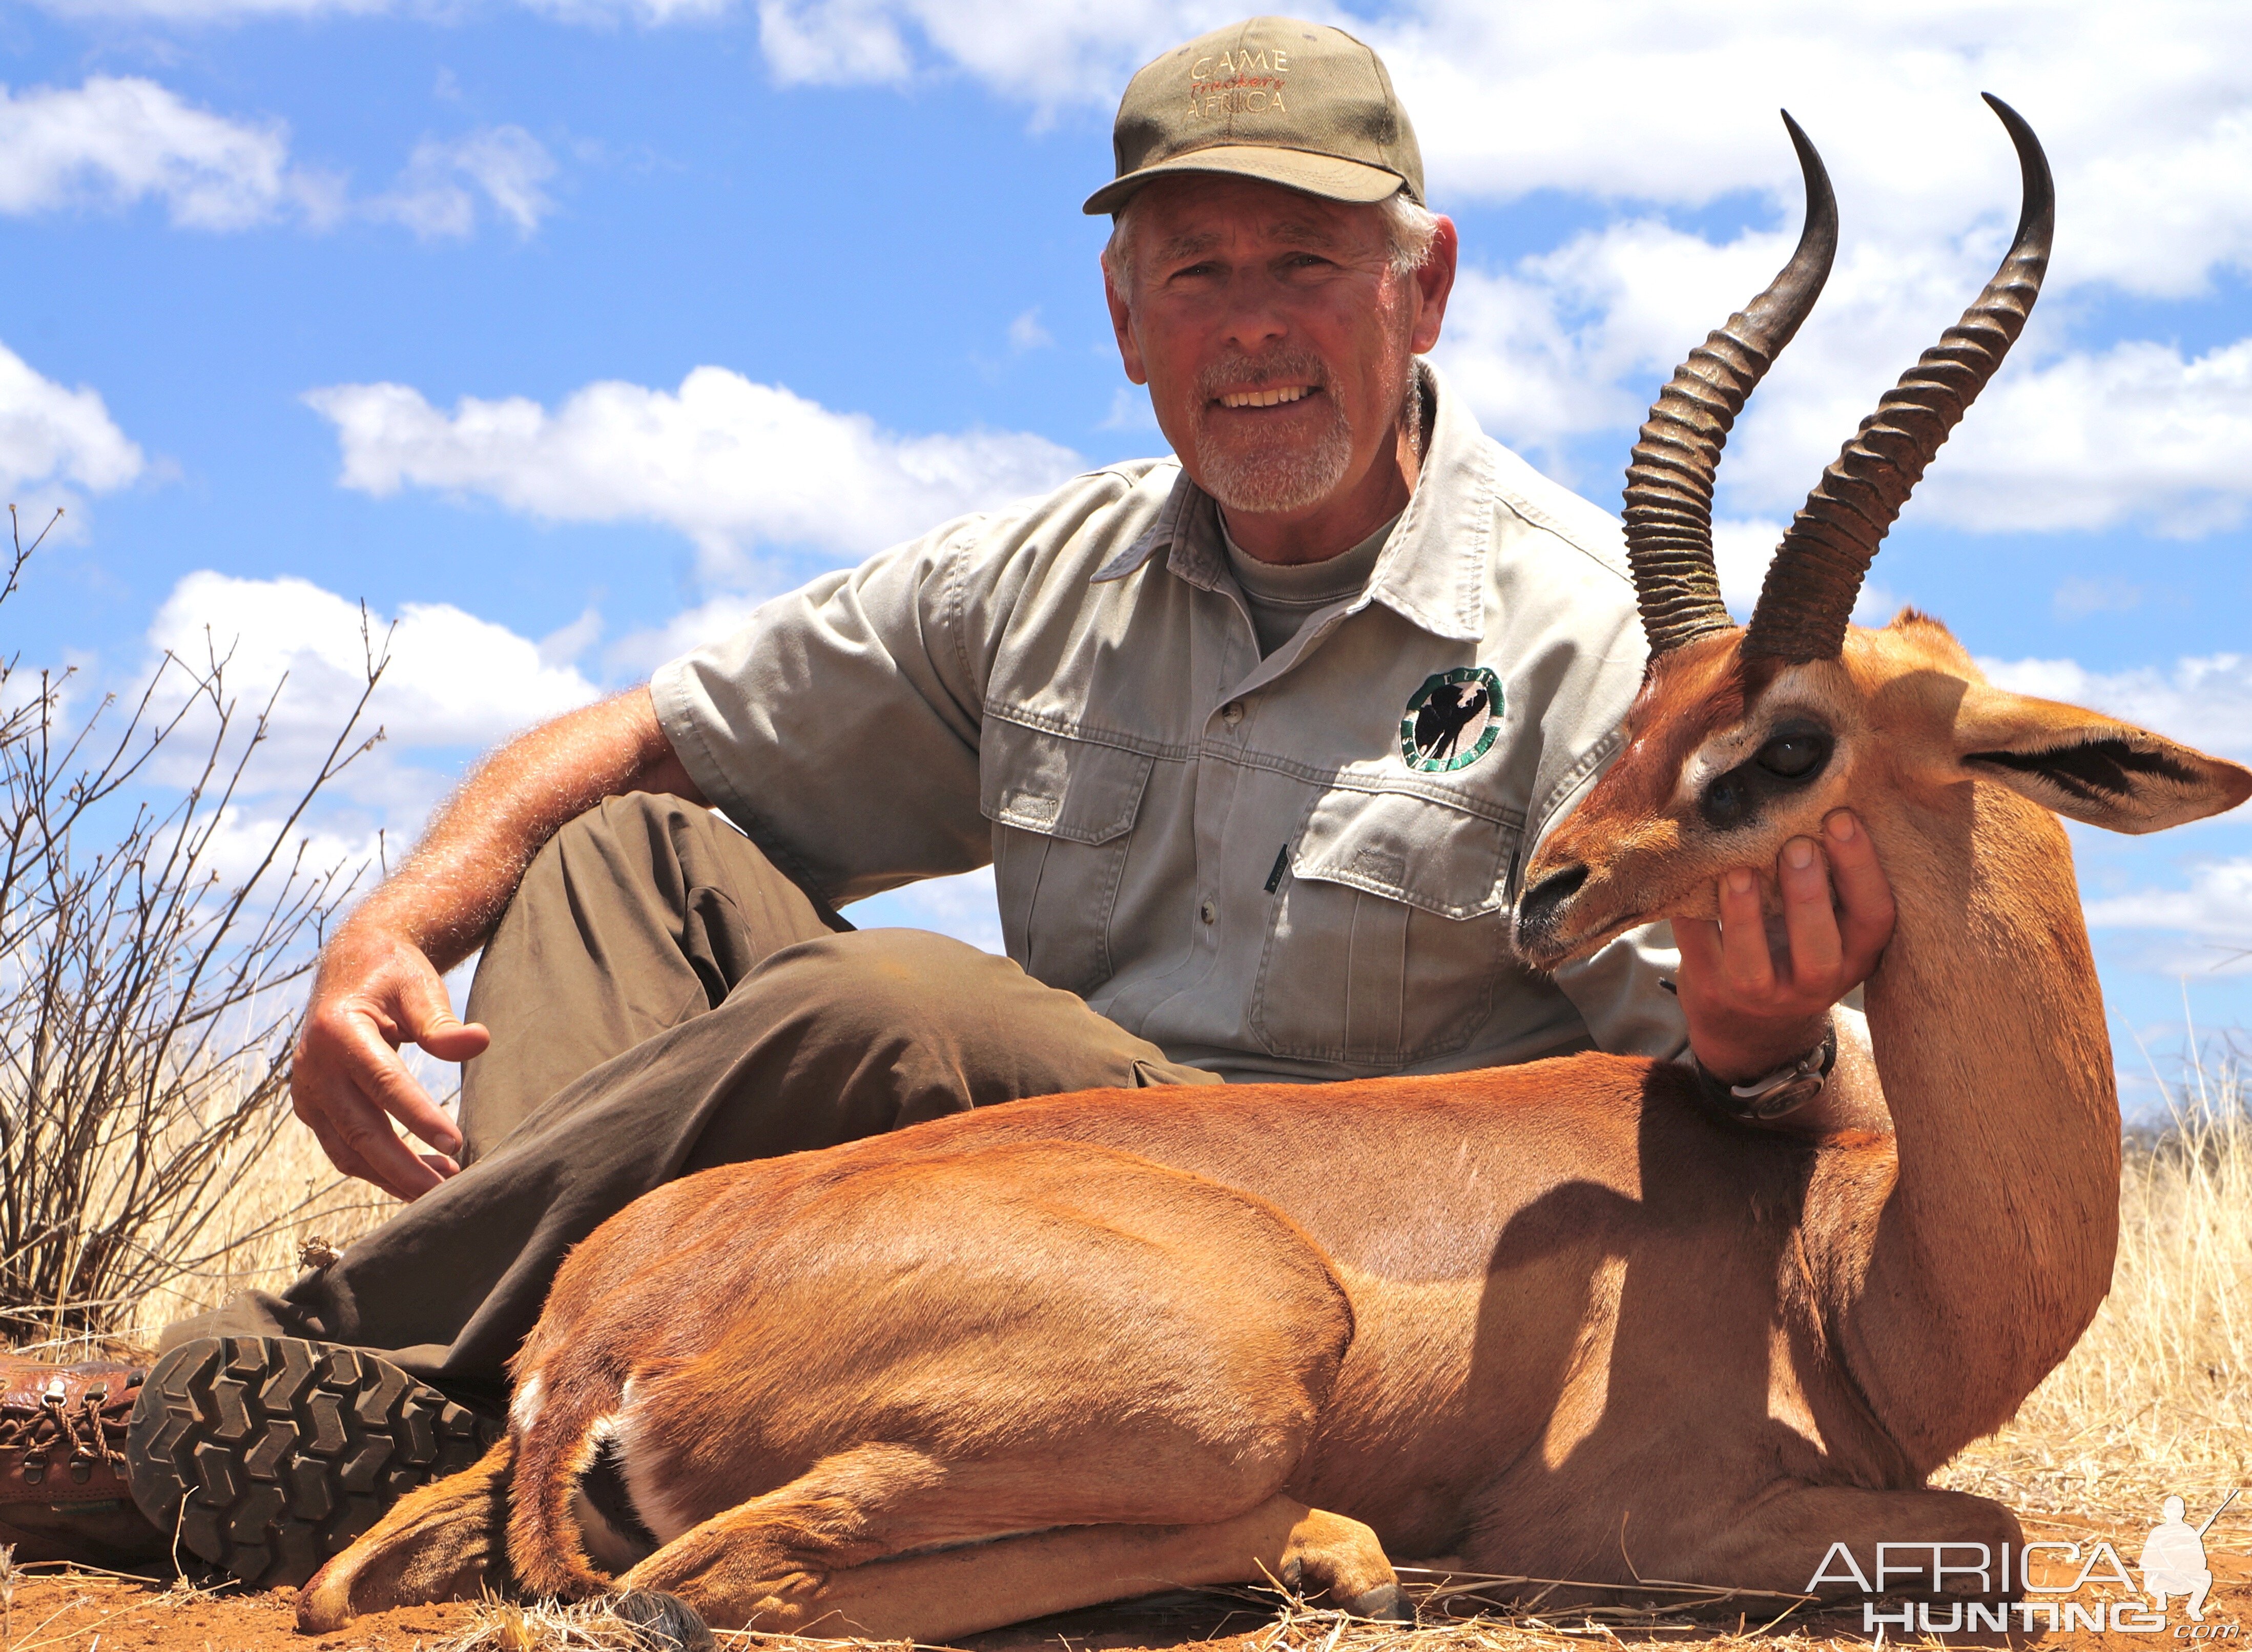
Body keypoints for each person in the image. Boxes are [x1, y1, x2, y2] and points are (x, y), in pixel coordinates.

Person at [0, 14, 1894, 1585]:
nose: (1249, 327)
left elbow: (1769, 1119)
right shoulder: (1037, 576)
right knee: (613, 853)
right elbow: (654, 730)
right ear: (1122, 311)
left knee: (894, 1009)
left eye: (1305, 265)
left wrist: (1764, 1039)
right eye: (1197, 271)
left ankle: (336, 1373)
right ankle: (534, 1392)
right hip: (1024, 1230)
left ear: (1425, 288)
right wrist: (393, 924)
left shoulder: (1578, 629)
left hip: (1294, 1269)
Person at [2140, 1495, 2215, 1620]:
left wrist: (2186, 1567)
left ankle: (2193, 1608)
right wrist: (2164, 1567)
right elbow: (2144, 1562)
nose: (2174, 1514)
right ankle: (2161, 1599)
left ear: (2183, 1513)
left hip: (2183, 1580)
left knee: (2206, 1576)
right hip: (2161, 1580)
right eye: (2170, 1510)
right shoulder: (2157, 1532)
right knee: (2150, 1576)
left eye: (2177, 1511)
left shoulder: (2190, 1533)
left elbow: (2202, 1562)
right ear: (2165, 1512)